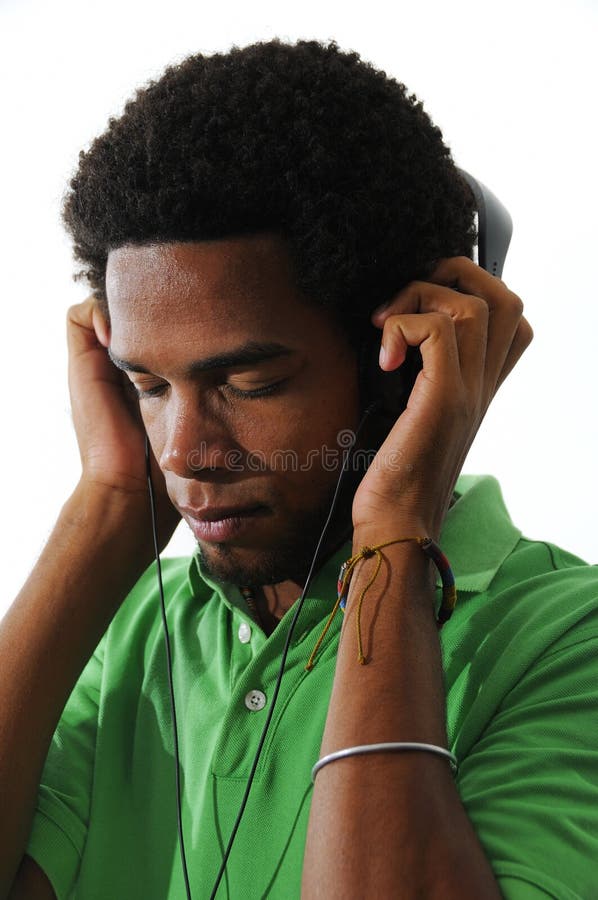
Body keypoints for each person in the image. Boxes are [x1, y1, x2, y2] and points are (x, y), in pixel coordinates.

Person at [2, 37, 598, 900]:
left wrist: (394, 531)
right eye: (148, 384)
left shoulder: (566, 642)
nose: (182, 452)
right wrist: (102, 510)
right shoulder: (132, 629)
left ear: (397, 366)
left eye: (251, 382)